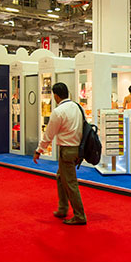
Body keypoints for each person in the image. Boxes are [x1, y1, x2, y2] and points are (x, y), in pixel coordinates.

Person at [33, 82, 86, 225]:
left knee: (70, 183)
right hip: (77, 149)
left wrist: (39, 150)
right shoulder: (78, 107)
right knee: (61, 177)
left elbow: (49, 134)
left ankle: (79, 215)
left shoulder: (58, 112)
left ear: (56, 96)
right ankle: (63, 208)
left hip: (66, 150)